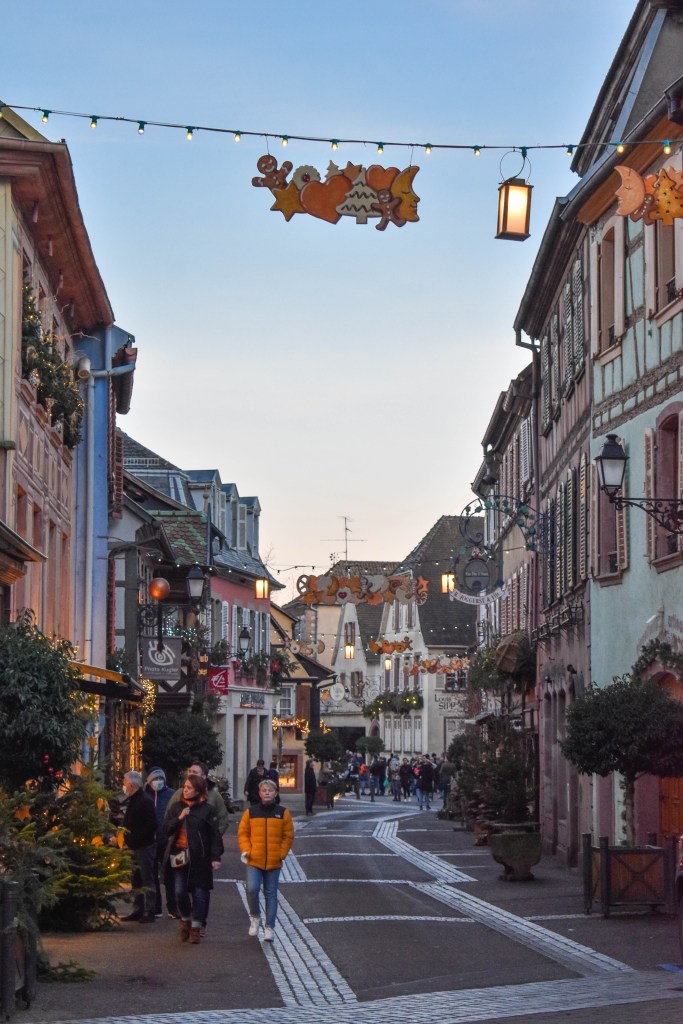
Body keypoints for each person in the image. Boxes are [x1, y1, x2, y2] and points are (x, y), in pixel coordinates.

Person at [164, 774, 223, 944]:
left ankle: (196, 927)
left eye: (189, 787)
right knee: (180, 891)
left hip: (200, 858)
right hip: (179, 855)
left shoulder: (207, 809)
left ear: (198, 790)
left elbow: (214, 835)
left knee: (199, 893)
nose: (186, 790)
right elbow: (166, 829)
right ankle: (185, 920)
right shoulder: (177, 807)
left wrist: (215, 857)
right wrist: (180, 817)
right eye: (185, 787)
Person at [238, 779, 294, 942]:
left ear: (276, 793)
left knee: (271, 894)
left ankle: (269, 927)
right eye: (264, 790)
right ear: (260, 793)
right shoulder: (251, 812)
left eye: (270, 790)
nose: (267, 792)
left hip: (274, 861)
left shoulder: (283, 813)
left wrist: (281, 853)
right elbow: (243, 833)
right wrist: (247, 850)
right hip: (254, 859)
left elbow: (288, 835)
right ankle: (255, 916)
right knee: (252, 889)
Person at [113, 770, 158, 923]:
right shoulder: (132, 800)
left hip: (143, 846)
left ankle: (149, 910)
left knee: (147, 878)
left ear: (131, 785)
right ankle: (138, 908)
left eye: (125, 782)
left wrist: (135, 838)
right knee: (136, 879)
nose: (123, 785)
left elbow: (152, 824)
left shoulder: (144, 800)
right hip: (134, 845)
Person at [145, 766, 178, 919]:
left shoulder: (171, 795)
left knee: (170, 875)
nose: (158, 782)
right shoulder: (145, 795)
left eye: (160, 779)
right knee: (152, 875)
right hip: (150, 840)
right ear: (149, 781)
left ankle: (173, 907)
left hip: (167, 840)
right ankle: (155, 907)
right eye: (155, 779)